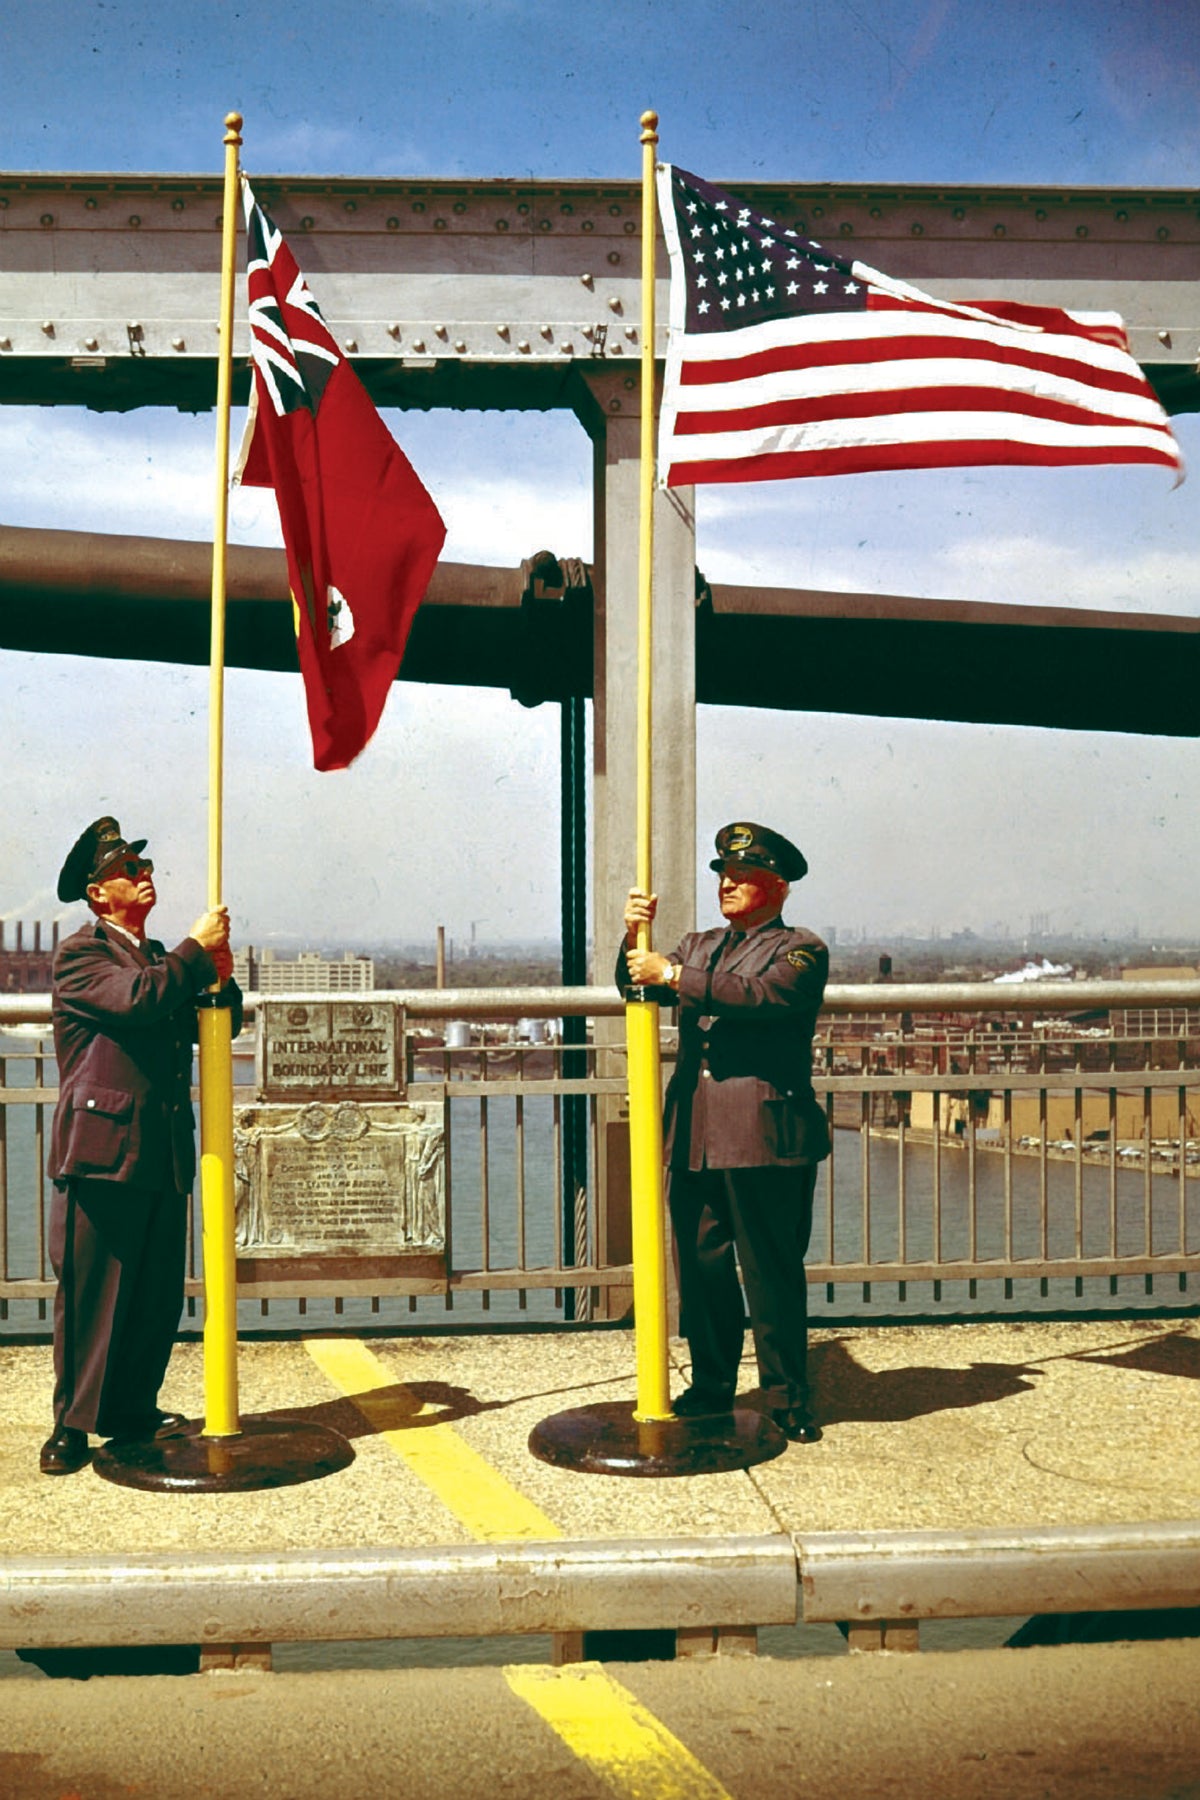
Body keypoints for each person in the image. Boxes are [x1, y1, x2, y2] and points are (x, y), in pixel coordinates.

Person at [39, 817, 242, 1476]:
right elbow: (136, 1002)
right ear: (99, 895)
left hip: (160, 1149)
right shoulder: (83, 956)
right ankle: (72, 1424)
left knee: (153, 1295)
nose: (142, 874)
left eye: (143, 865)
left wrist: (220, 978)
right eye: (128, 868)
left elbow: (214, 1021)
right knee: (94, 1290)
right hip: (102, 1148)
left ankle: (130, 1408)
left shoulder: (161, 960)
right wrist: (193, 950)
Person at [618, 821, 830, 1443]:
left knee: (769, 1271)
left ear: (778, 886)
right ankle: (712, 1383)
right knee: (703, 1268)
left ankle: (788, 1397)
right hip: (694, 1134)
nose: (727, 884)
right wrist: (633, 936)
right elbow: (635, 985)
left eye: (742, 876)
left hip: (763, 1136)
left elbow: (760, 998)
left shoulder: (799, 949)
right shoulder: (697, 943)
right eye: (722, 875)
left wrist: (672, 974)